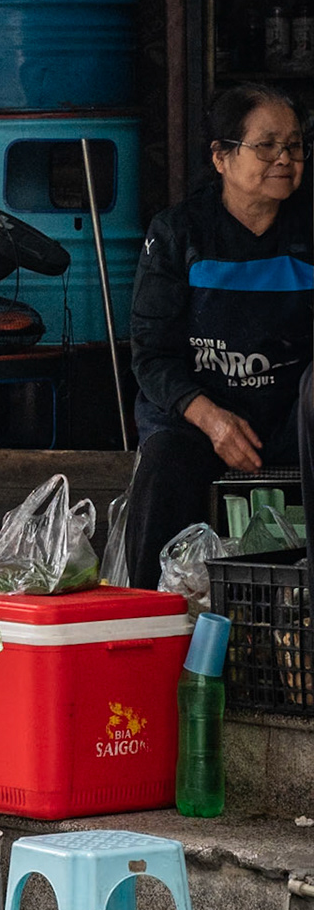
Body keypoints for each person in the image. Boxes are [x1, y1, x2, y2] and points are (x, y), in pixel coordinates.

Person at [124, 84, 312, 589]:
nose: (285, 158)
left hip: (290, 420)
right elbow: (152, 357)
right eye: (267, 145)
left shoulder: (307, 231)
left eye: (294, 145)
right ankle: (146, 623)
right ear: (222, 157)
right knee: (164, 464)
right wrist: (213, 420)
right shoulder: (178, 234)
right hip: (198, 420)